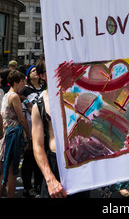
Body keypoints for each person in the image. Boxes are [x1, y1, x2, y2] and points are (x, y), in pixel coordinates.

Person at [31, 57, 90, 198]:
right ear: (42, 76)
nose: (57, 71)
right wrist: (50, 178)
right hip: (55, 165)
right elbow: (37, 145)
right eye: (50, 68)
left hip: (80, 164)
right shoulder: (38, 105)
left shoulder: (78, 95)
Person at [0, 70, 30, 198]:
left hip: (5, 135)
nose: (24, 83)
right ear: (16, 81)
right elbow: (21, 118)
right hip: (13, 136)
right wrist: (29, 133)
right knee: (12, 170)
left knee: (3, 170)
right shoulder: (14, 96)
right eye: (22, 81)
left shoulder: (7, 95)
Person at [19, 65, 44, 197]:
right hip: (31, 127)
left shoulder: (44, 88)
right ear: (29, 76)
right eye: (33, 71)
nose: (36, 72)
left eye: (37, 70)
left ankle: (38, 185)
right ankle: (28, 187)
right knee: (29, 158)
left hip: (44, 128)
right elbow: (26, 106)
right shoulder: (25, 90)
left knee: (41, 158)